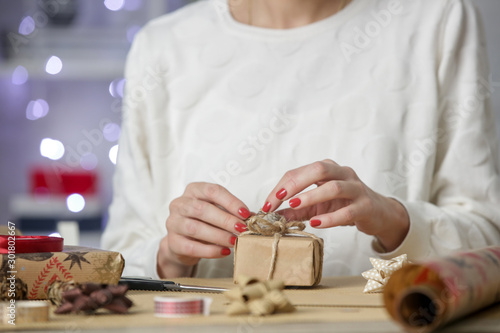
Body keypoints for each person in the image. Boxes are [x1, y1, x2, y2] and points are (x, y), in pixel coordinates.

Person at [101, 0, 500, 279]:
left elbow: (489, 243)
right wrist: (169, 257)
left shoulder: (438, 21)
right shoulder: (163, 46)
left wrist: (394, 220)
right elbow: (115, 262)